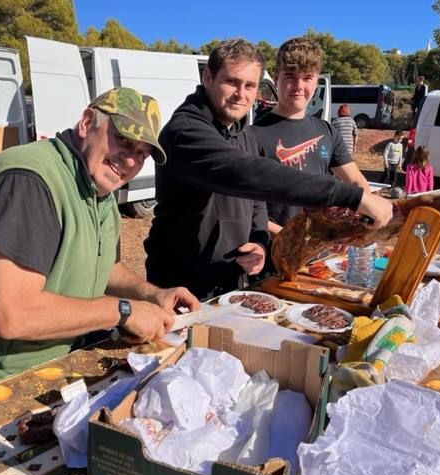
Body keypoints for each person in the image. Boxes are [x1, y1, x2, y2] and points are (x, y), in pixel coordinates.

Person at [0, 87, 199, 475]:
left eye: (142, 153)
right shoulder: (30, 181)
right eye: (123, 139)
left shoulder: (98, 190)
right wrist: (122, 311)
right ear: (88, 122)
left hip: (27, 371)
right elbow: (14, 315)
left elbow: (101, 264)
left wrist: (150, 293)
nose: (130, 159)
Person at [144, 38, 393, 301]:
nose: (242, 94)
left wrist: (261, 244)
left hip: (227, 280)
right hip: (181, 284)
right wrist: (352, 197)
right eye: (232, 82)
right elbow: (245, 174)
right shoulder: (186, 131)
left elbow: (256, 203)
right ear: (208, 78)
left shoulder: (239, 131)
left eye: (250, 85)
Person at [251, 38, 370, 236]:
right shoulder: (253, 135)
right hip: (273, 251)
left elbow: (358, 183)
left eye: (307, 77)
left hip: (319, 252)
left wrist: (349, 223)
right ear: (276, 77)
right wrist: (291, 237)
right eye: (290, 76)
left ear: (316, 82)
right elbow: (246, 207)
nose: (298, 86)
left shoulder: (328, 131)